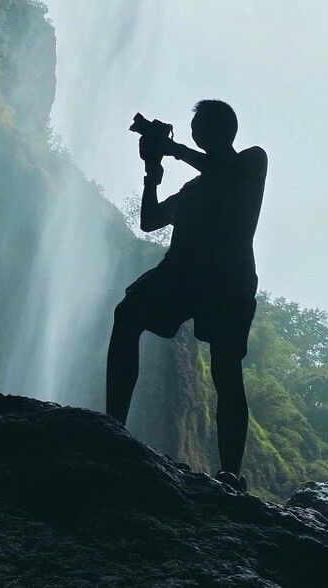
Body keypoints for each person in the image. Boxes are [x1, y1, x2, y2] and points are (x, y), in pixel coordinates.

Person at [105, 99, 267, 491]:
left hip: (227, 279)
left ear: (221, 130)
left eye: (201, 127)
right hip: (188, 274)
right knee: (127, 315)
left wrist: (171, 150)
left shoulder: (251, 162)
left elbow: (223, 175)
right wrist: (151, 172)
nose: (196, 134)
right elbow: (149, 221)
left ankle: (230, 471)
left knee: (226, 369)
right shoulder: (193, 188)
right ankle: (112, 427)